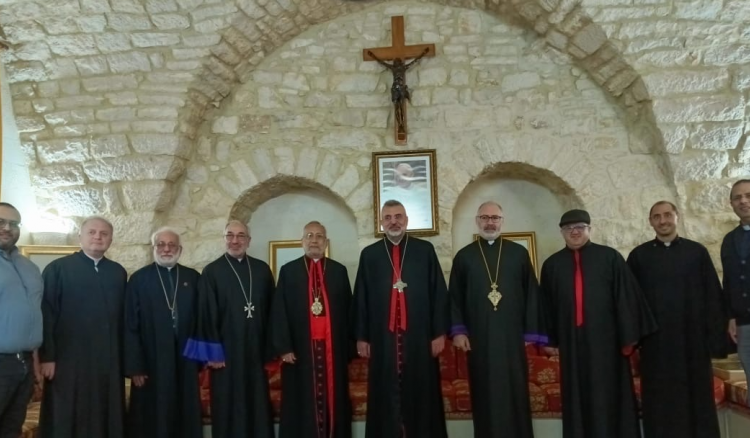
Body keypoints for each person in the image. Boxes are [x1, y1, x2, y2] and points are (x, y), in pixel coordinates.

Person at [539, 209, 656, 438]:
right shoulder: (551, 265)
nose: (574, 232)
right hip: (571, 345)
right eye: (568, 228)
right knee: (577, 396)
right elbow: (546, 306)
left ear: (589, 229)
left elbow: (626, 298)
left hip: (607, 346)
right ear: (561, 232)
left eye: (580, 227)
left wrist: (628, 339)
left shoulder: (610, 258)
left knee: (610, 396)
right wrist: (550, 340)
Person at [627, 201, 725, 438]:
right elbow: (630, 301)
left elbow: (713, 296)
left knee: (697, 398)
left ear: (677, 217)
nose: (663, 221)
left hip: (693, 342)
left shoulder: (697, 252)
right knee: (660, 401)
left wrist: (714, 339)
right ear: (650, 222)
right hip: (656, 344)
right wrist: (636, 339)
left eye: (667, 215)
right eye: (657, 216)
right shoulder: (639, 256)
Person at [352, 199, 449, 438]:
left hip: (419, 337)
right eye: (388, 217)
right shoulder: (370, 255)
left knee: (421, 391)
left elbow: (438, 293)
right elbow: (361, 297)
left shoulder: (424, 250)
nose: (393, 221)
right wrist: (362, 336)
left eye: (398, 217)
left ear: (406, 220)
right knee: (384, 392)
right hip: (382, 338)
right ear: (381, 223)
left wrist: (439, 333)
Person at [448, 201, 544, 438]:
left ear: (502, 221)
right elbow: (455, 297)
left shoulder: (518, 254)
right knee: (484, 391)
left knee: (514, 390)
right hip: (479, 338)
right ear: (477, 221)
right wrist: (459, 331)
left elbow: (532, 293)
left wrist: (530, 332)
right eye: (485, 217)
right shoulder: (464, 256)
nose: (490, 222)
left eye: (495, 218)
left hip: (512, 338)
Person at [39, 216, 128, 438]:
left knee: (104, 411)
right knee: (67, 413)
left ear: (111, 240)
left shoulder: (118, 272)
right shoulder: (57, 269)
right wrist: (47, 357)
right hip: (67, 360)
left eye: (104, 234)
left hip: (107, 360)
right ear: (80, 236)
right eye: (92, 232)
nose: (98, 237)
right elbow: (47, 315)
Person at [183, 220, 274, 438]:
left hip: (256, 350)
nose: (235, 240)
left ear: (248, 240)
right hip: (225, 354)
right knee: (228, 405)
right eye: (230, 235)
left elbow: (274, 311)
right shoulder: (212, 271)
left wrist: (272, 349)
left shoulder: (262, 270)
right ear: (224, 239)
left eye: (241, 235)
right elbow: (205, 314)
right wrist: (213, 353)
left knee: (258, 404)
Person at [271, 221, 353, 438]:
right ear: (302, 241)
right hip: (300, 350)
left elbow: (349, 311)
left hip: (332, 350)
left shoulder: (338, 271)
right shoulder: (289, 271)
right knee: (301, 401)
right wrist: (284, 347)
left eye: (319, 236)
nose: (314, 240)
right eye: (309, 235)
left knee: (334, 399)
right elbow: (279, 311)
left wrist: (347, 348)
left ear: (326, 242)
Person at [124, 227, 202, 438]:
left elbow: (201, 321)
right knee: (152, 415)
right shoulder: (139, 279)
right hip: (151, 360)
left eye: (171, 245)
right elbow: (130, 325)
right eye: (161, 244)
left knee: (185, 411)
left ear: (180, 249)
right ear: (153, 248)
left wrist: (200, 360)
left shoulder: (193, 278)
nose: (166, 249)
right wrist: (135, 366)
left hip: (186, 359)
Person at [0, 202, 43, 438]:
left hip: (24, 363)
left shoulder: (29, 266)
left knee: (11, 429)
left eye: (14, 223)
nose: (7, 228)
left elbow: (33, 317)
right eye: (1, 222)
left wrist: (35, 365)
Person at [721, 179, 750, 404]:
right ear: (731, 203)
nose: (743, 201)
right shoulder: (729, 240)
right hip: (744, 323)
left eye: (748, 195)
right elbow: (729, 281)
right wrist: (730, 316)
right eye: (738, 197)